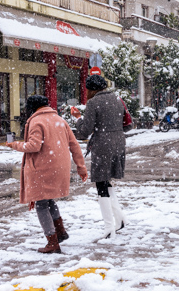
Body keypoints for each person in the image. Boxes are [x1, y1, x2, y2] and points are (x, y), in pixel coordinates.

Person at [6, 95, 88, 254]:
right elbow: (74, 145)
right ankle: (60, 232)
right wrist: (81, 166)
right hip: (59, 167)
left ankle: (52, 241)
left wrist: (14, 144)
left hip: (42, 168)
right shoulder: (59, 120)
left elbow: (33, 146)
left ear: (32, 107)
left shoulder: (37, 121)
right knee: (48, 199)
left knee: (41, 204)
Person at [70, 75, 127, 240]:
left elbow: (85, 130)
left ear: (91, 89)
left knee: (101, 184)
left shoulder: (93, 103)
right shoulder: (117, 99)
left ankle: (109, 228)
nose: (86, 92)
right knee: (107, 181)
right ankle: (120, 219)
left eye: (87, 89)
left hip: (103, 146)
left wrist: (78, 118)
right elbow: (127, 123)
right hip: (118, 143)